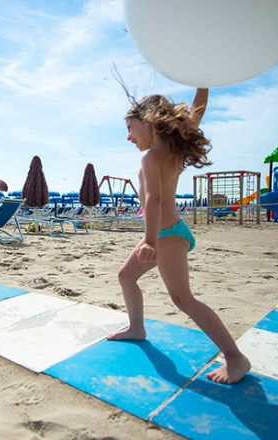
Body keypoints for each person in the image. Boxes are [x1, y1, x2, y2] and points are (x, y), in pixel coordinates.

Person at [108, 89, 251, 384]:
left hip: (165, 235)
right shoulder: (175, 151)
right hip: (168, 232)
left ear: (148, 121)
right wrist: (203, 82)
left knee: (183, 298)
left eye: (129, 128)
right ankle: (136, 328)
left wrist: (149, 239)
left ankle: (236, 357)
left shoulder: (151, 157)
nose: (128, 136)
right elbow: (197, 111)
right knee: (126, 276)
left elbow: (153, 200)